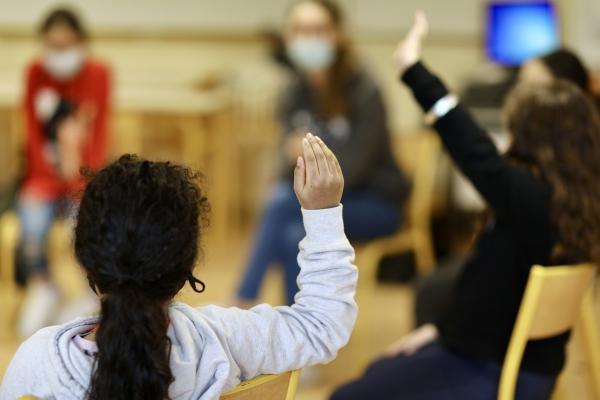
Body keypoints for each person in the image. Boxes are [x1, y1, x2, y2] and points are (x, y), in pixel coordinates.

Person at [331, 12, 600, 400]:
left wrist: (413, 71)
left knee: (346, 396)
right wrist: (440, 330)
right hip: (527, 368)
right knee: (382, 369)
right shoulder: (576, 198)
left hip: (487, 369)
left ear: (532, 132)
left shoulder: (526, 196)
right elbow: (492, 294)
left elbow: (470, 145)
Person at [0, 134, 358, 400]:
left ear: (84, 261)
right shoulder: (221, 342)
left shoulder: (40, 362)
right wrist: (322, 213)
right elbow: (320, 326)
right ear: (187, 264)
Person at [236, 0, 409, 306]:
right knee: (291, 234)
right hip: (316, 204)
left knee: (279, 203)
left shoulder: (365, 91)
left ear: (338, 35)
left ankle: (244, 298)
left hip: (375, 202)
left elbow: (354, 171)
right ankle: (303, 326)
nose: (309, 39)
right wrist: (291, 154)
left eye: (318, 30)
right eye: (300, 30)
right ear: (289, 38)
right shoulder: (293, 91)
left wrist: (306, 156)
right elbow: (284, 170)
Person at [415, 46, 595, 328]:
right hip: (540, 337)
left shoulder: (527, 188)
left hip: (495, 325)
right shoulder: (579, 172)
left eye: (530, 87)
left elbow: (473, 149)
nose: (517, 95)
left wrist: (415, 72)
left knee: (432, 290)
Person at [15, 8, 111, 338]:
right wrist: (47, 179)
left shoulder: (98, 74)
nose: (59, 53)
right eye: (52, 46)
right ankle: (43, 285)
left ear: (81, 41)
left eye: (66, 45)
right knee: (33, 222)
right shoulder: (34, 73)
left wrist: (82, 179)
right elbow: (31, 133)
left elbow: (99, 136)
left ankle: (89, 291)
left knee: (85, 227)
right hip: (44, 177)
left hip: (84, 178)